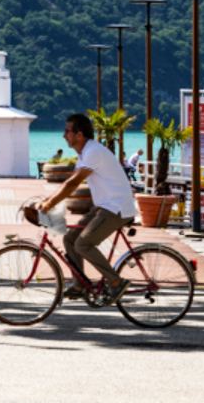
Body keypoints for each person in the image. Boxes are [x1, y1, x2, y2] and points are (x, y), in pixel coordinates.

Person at [39, 112, 136, 302]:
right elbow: (69, 183)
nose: (64, 135)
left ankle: (116, 282)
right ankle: (80, 284)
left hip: (116, 207)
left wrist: (50, 203)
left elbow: (73, 183)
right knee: (70, 239)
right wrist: (48, 199)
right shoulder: (85, 153)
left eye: (67, 131)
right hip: (103, 206)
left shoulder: (93, 152)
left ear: (79, 134)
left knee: (83, 243)